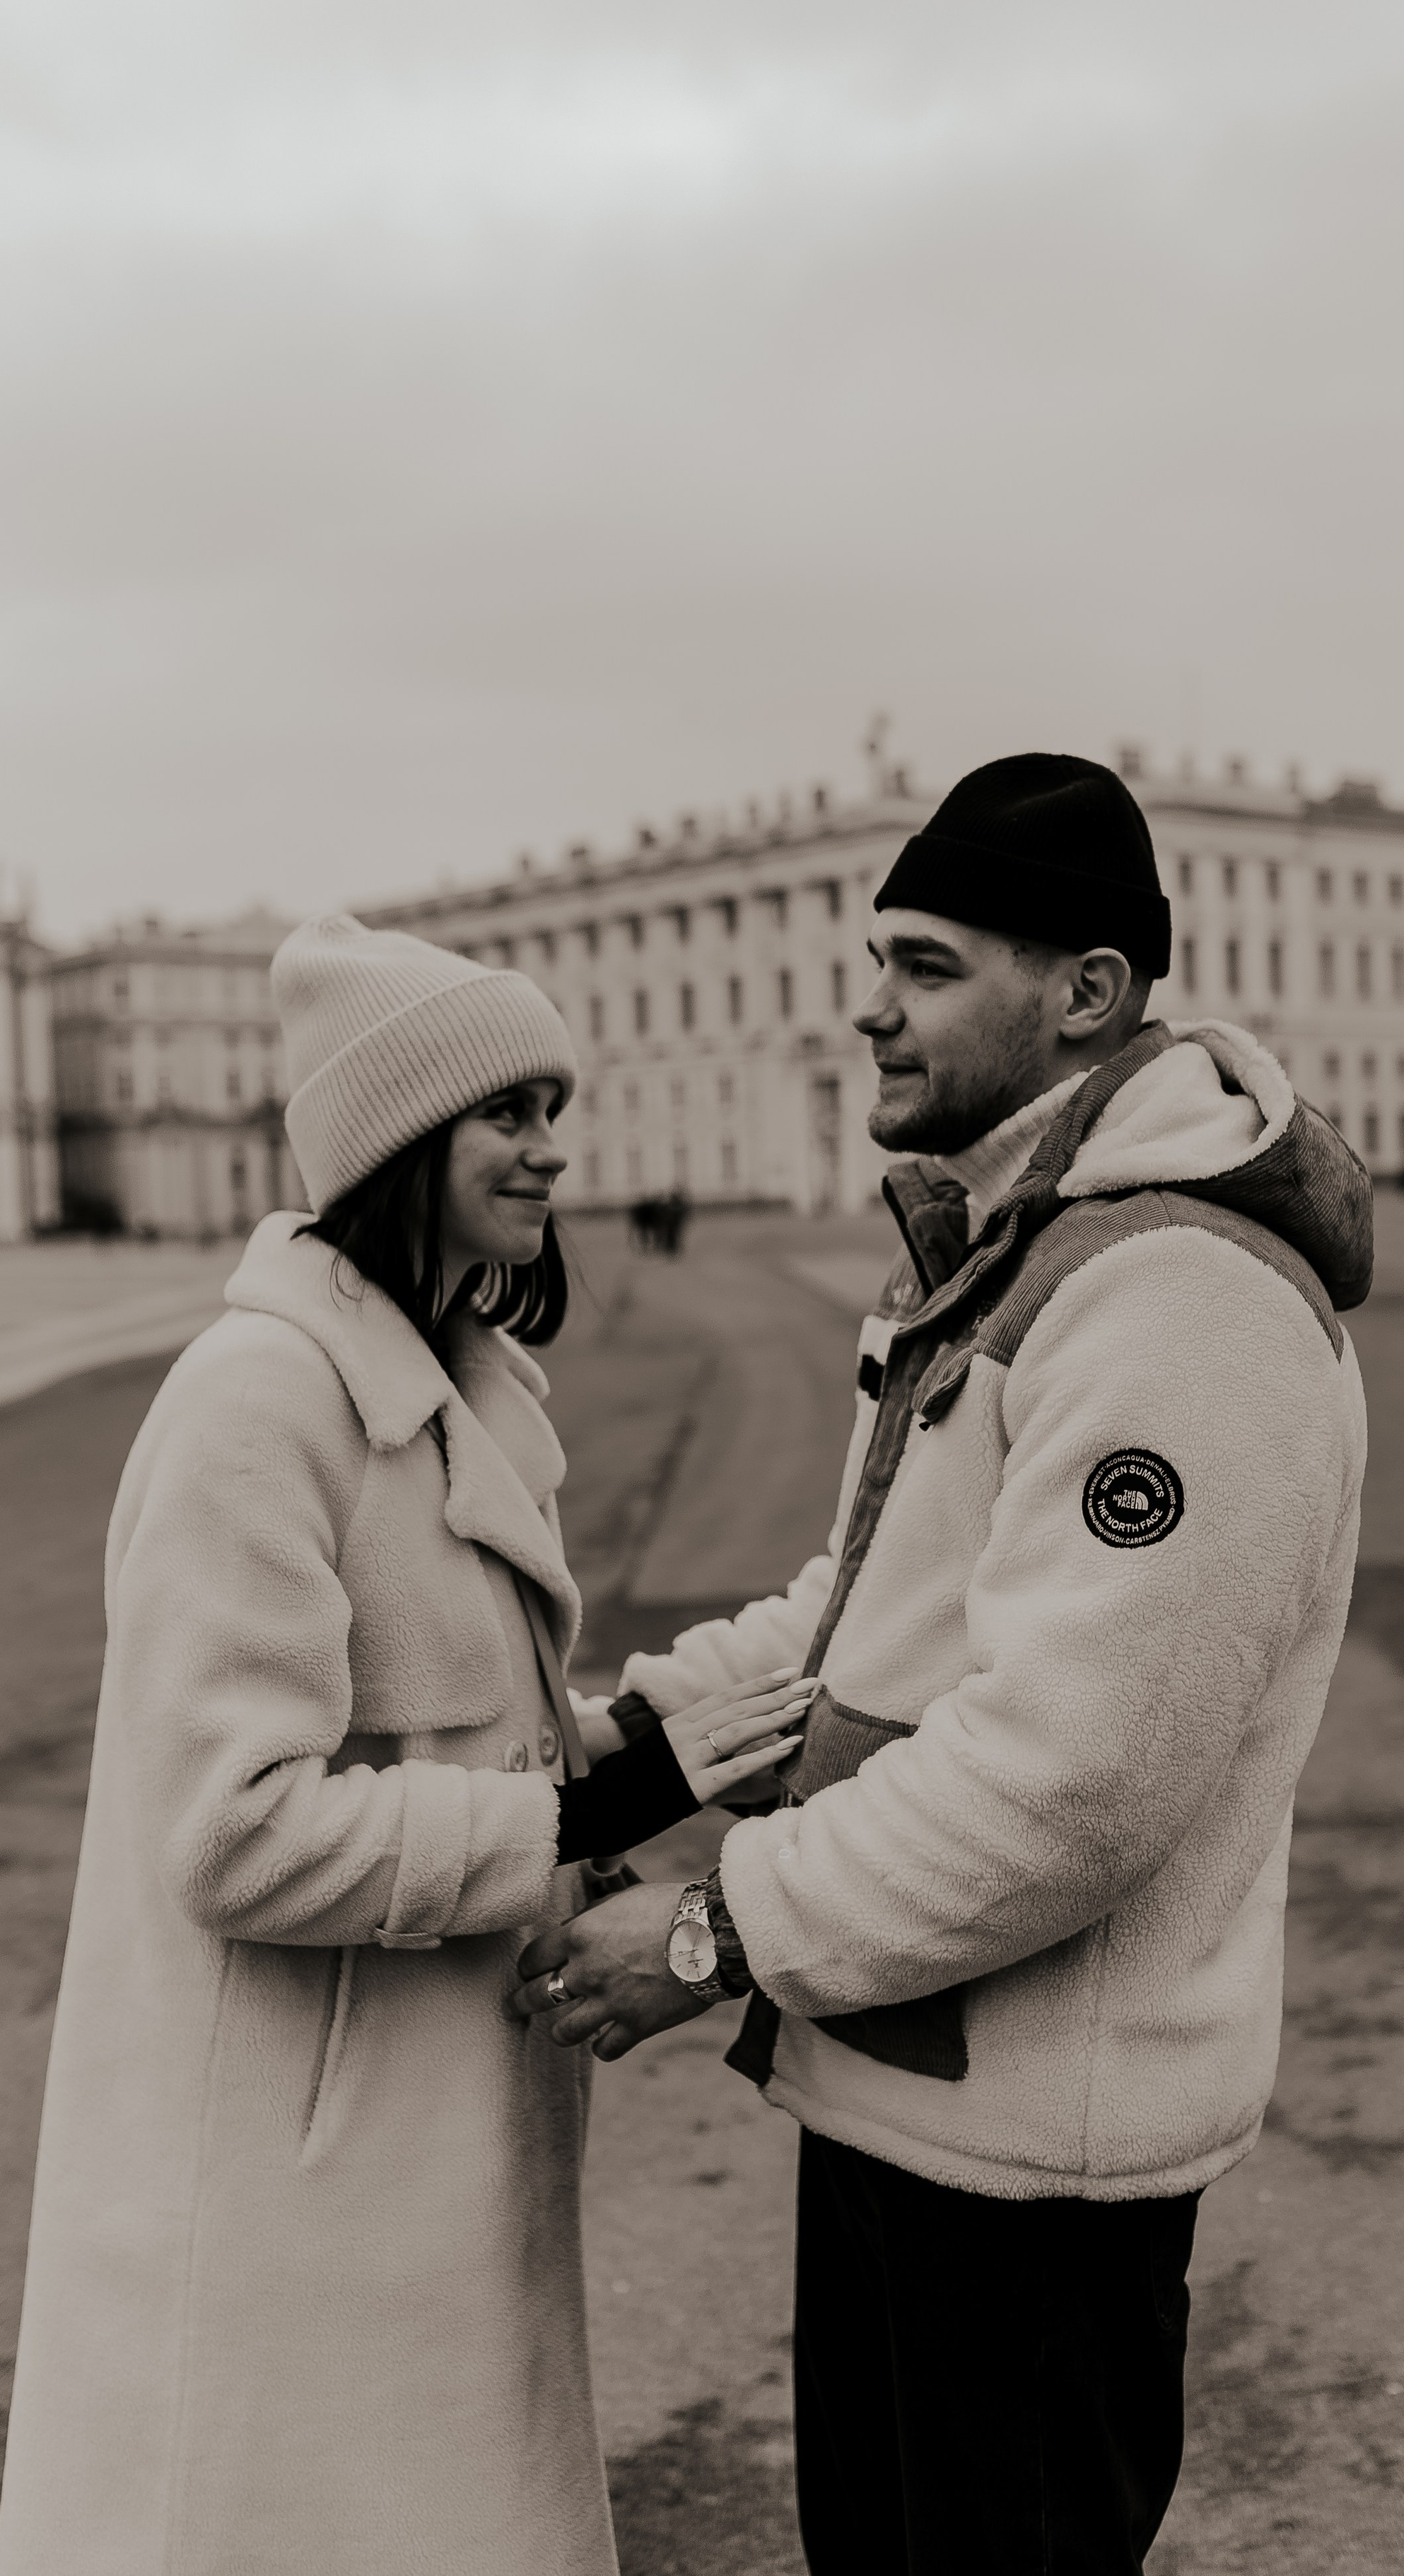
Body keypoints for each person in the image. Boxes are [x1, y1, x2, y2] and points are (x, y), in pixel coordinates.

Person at [515, 754, 1374, 2575]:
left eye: (923, 965)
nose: (867, 1005)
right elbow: (857, 1624)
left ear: (1086, 992)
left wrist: (708, 1932)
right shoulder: (1020, 1252)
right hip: (909, 2090)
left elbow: (1076, 1777)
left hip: (1030, 2170)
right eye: (874, 959)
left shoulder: (1177, 1297)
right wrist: (601, 1760)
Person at [0, 915, 810, 2576]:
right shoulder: (258, 1401)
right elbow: (235, 1832)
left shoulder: (457, 1384)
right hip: (300, 2186)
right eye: (507, 1110)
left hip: (421, 2143)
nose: (551, 1147)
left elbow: (476, 1745)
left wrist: (662, 1735)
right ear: (396, 1138)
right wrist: (595, 1804)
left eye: (551, 1105)